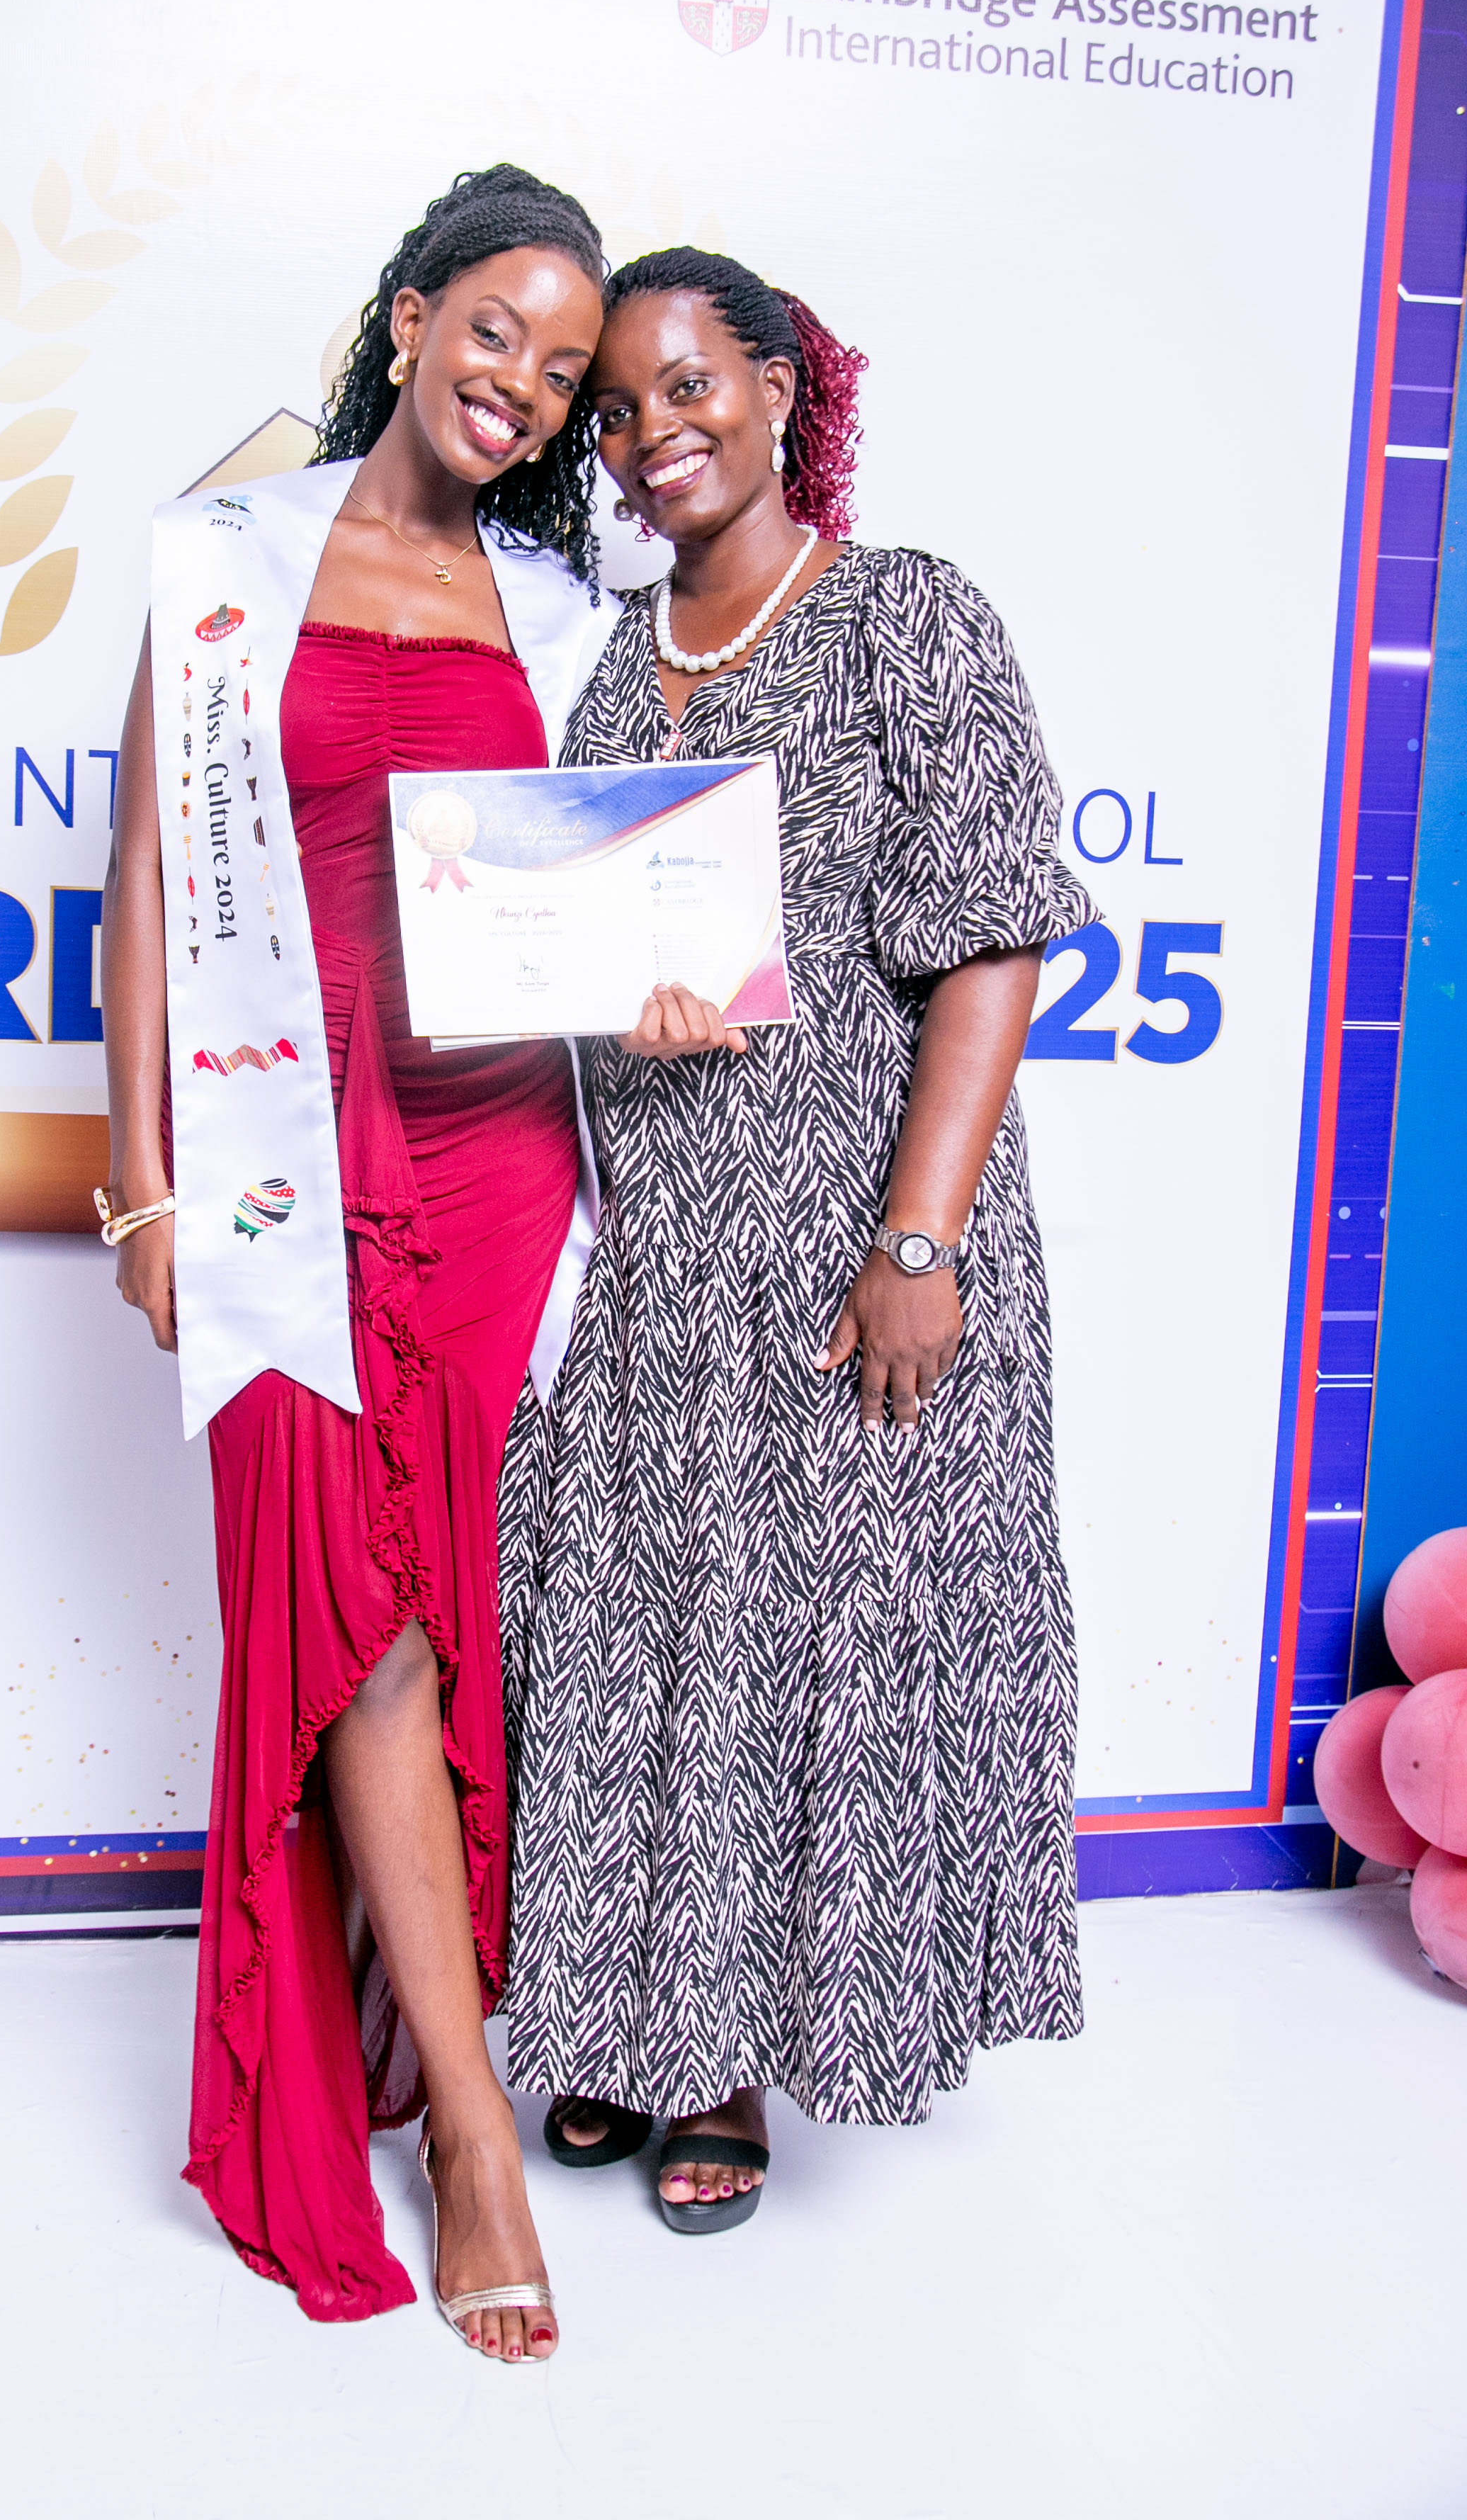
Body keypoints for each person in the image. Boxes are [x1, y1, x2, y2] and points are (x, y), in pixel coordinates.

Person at [501, 247, 1097, 2231]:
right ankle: (638, 2018)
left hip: (853, 1236)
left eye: (688, 387)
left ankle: (734, 2068)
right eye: (615, 411)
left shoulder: (905, 615)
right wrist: (611, 999)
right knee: (640, 1634)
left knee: (796, 1643)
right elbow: (564, 940)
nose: (650, 434)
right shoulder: (605, 663)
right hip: (653, 1245)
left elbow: (992, 944)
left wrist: (917, 1245)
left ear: (778, 388)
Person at [99, 167, 615, 2356]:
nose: (522, 386)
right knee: (357, 1623)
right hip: (273, 1154)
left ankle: (457, 2081)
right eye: (495, 331)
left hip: (496, 1158)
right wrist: (140, 1186)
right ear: (410, 318)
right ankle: (472, 2130)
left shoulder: (564, 615)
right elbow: (146, 877)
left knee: (442, 1614)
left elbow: (608, 896)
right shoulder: (226, 554)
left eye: (565, 370)